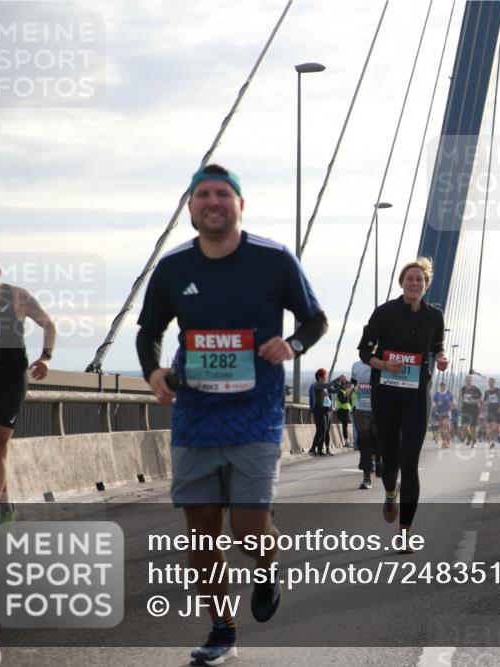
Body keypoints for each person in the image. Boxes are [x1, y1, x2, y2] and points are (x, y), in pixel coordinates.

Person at [137, 164, 328, 665]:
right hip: (195, 415)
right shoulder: (173, 267)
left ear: (240, 204)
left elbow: (316, 319)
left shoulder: (274, 259)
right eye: (203, 194)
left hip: (256, 414)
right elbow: (149, 331)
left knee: (247, 531)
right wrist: (152, 372)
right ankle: (221, 629)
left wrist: (292, 345)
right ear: (190, 206)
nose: (213, 201)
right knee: (201, 532)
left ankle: (266, 566)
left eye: (223, 193)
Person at [0, 252, 57, 538]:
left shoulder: (18, 297)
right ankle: (6, 507)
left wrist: (46, 357)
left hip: (10, 381)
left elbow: (48, 324)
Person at [357, 258, 448, 538]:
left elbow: (437, 346)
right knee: (390, 461)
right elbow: (364, 352)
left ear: (426, 285)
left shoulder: (435, 316)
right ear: (401, 283)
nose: (414, 283)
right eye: (410, 278)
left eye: (420, 279)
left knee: (410, 463)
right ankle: (390, 492)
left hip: (417, 395)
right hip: (385, 394)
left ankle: (405, 532)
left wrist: (441, 357)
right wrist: (385, 365)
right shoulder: (384, 313)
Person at [351, 358, 379, 488]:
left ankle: (378, 460)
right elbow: (353, 382)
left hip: (378, 410)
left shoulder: (381, 363)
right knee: (364, 442)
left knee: (377, 440)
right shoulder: (356, 365)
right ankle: (367, 478)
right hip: (361, 409)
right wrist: (349, 390)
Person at [309, 369, 339, 456]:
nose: (325, 377)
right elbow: (329, 384)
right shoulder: (317, 385)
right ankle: (312, 449)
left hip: (325, 410)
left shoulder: (325, 387)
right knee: (321, 429)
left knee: (324, 430)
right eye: (324, 376)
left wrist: (342, 385)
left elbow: (335, 391)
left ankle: (319, 450)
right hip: (318, 409)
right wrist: (338, 379)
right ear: (320, 377)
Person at [459, 375, 482, 447]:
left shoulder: (476, 389)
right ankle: (469, 436)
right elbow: (461, 397)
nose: (468, 381)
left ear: (472, 381)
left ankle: (474, 442)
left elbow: (480, 399)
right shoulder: (462, 389)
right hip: (465, 409)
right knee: (464, 426)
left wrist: (474, 400)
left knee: (473, 427)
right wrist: (460, 403)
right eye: (467, 380)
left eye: (469, 380)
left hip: (474, 409)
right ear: (465, 380)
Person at [334, 375, 355, 448]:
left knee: (346, 426)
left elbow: (350, 400)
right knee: (345, 426)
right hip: (342, 410)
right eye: (347, 385)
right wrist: (347, 394)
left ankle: (348, 441)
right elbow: (343, 401)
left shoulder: (344, 391)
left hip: (346, 410)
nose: (347, 386)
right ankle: (346, 441)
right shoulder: (340, 391)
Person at [483, 378, 500, 447]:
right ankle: (492, 442)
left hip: (497, 411)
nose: (490, 383)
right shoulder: (487, 392)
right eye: (489, 382)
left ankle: (498, 435)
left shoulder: (498, 391)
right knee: (492, 426)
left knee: (497, 427)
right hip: (490, 411)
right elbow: (484, 402)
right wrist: (485, 404)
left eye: (492, 382)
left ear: (494, 383)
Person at [433, 382, 454, 448]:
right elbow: (434, 403)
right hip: (439, 412)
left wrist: (450, 405)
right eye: (441, 386)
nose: (443, 387)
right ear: (440, 386)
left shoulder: (449, 394)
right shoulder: (437, 394)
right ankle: (444, 441)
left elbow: (452, 403)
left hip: (447, 412)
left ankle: (446, 441)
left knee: (446, 427)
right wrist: (437, 405)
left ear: (446, 386)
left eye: (444, 386)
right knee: (441, 428)